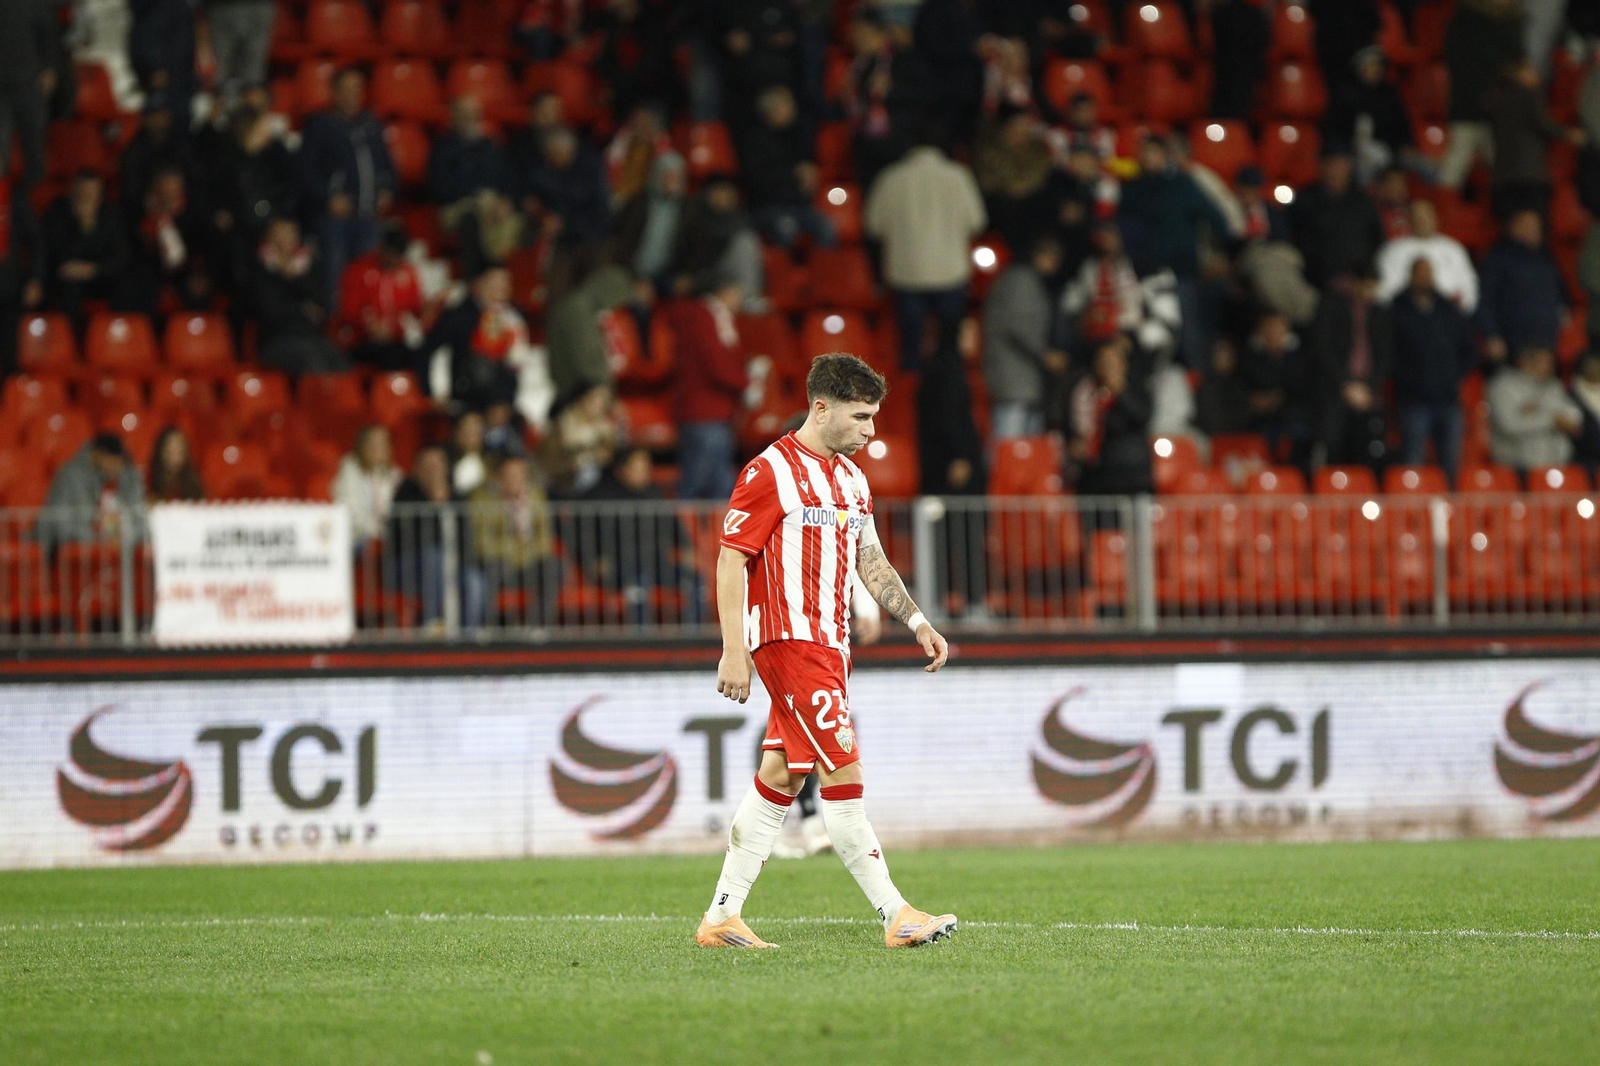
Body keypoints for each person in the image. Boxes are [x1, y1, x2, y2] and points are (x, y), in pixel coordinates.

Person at [697, 352, 955, 951]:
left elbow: (870, 558)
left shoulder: (851, 480)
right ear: (821, 408)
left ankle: (721, 917)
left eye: (874, 417)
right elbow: (731, 557)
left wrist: (916, 619)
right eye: (861, 417)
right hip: (789, 642)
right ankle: (897, 915)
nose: (871, 430)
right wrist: (733, 650)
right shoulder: (771, 472)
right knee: (844, 773)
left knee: (782, 776)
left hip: (831, 645)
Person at [864, 128, 987, 372]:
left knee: (911, 349)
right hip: (950, 272)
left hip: (907, 273)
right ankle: (948, 391)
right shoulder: (958, 176)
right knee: (949, 348)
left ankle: (910, 398)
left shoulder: (891, 177)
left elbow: (873, 225)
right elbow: (977, 222)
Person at [1118, 136, 1231, 368]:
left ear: (1164, 155)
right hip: (1143, 275)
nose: (1147, 157)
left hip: (1181, 272)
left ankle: (1198, 388)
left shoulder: (1182, 185)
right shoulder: (1132, 189)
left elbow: (1216, 218)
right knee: (1149, 338)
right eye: (1144, 151)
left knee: (1189, 334)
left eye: (1153, 151)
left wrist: (1221, 252)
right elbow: (1122, 228)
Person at [300, 67, 397, 306]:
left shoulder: (370, 126)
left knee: (366, 278)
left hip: (367, 217)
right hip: (335, 220)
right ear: (334, 92)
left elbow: (387, 165)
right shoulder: (320, 126)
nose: (352, 95)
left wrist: (386, 189)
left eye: (357, 89)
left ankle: (360, 330)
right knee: (335, 277)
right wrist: (328, 198)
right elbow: (305, 172)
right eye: (346, 89)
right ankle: (332, 331)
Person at [1391, 257, 1477, 484]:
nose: (1425, 277)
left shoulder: (1448, 310)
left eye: (1428, 272)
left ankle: (1448, 513)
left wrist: (1451, 377)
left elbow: (1467, 349)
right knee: (1413, 464)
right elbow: (1390, 354)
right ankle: (1410, 513)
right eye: (1419, 272)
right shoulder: (1397, 310)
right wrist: (1408, 380)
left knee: (1450, 466)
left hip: (1448, 399)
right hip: (1413, 400)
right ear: (1410, 276)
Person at [668, 276, 751, 500]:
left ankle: (714, 536)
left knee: (719, 485)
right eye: (736, 293)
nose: (739, 300)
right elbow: (718, 365)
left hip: (710, 413)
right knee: (699, 484)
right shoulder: (705, 318)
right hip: (705, 414)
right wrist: (747, 382)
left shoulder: (709, 317)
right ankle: (682, 534)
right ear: (723, 292)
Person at [1309, 266, 1393, 470]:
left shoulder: (1379, 312)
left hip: (1367, 395)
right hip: (1334, 392)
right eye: (1366, 286)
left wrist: (1369, 387)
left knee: (1366, 454)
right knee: (1332, 450)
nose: (1370, 293)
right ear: (1355, 283)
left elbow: (1385, 354)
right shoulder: (1332, 306)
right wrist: (1346, 384)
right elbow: (1322, 348)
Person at [983, 234, 1067, 439]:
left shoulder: (1026, 279)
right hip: (1012, 379)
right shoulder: (1021, 279)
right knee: (1009, 442)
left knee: (1028, 446)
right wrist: (1045, 354)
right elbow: (1019, 325)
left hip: (1024, 381)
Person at [429, 95, 521, 276]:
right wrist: (477, 198)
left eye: (473, 115)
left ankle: (498, 278)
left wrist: (505, 200)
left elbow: (509, 179)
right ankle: (473, 280)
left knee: (513, 219)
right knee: (471, 219)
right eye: (463, 114)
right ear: (453, 117)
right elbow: (439, 188)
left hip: (492, 205)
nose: (469, 120)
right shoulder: (442, 148)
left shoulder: (491, 146)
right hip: (457, 206)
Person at [387, 443, 475, 630]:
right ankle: (433, 626)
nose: (433, 472)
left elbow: (465, 538)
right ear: (416, 469)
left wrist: (444, 503)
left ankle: (469, 637)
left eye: (437, 467)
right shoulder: (405, 494)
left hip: (450, 567)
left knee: (474, 581)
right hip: (408, 567)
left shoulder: (456, 496)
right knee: (433, 557)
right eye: (428, 467)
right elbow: (408, 539)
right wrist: (434, 506)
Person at [1485, 61, 1584, 224]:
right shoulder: (1530, 94)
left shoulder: (1496, 98)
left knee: (1509, 227)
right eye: (1530, 71)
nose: (1535, 75)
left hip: (1501, 176)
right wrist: (1569, 134)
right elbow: (1543, 125)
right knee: (1535, 229)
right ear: (1519, 74)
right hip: (1529, 174)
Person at [468, 451, 560, 626]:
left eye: (520, 475)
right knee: (490, 570)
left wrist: (527, 552)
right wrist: (513, 547)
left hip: (529, 562)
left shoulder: (535, 497)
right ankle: (490, 629)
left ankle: (535, 627)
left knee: (553, 567)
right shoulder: (482, 499)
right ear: (498, 477)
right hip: (498, 563)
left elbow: (545, 537)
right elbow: (482, 541)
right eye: (510, 475)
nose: (516, 480)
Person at [424, 265, 533, 411]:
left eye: (505, 284)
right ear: (478, 284)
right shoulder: (457, 316)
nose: (500, 289)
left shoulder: (514, 319)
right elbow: (439, 354)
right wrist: (439, 390)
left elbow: (518, 359)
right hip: (464, 398)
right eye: (494, 283)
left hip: (501, 400)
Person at [738, 85, 832, 249]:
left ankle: (823, 273)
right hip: (767, 208)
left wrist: (809, 181)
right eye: (787, 104)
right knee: (786, 228)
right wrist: (794, 175)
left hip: (798, 206)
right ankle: (782, 274)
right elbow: (757, 181)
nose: (793, 109)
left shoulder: (796, 136)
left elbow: (807, 174)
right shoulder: (755, 141)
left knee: (826, 227)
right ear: (771, 110)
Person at [252, 216, 348, 376]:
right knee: (312, 363)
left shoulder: (307, 266)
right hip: (276, 341)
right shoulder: (259, 268)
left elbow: (322, 306)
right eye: (280, 236)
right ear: (269, 238)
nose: (285, 241)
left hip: (311, 338)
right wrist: (303, 309)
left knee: (340, 363)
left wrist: (294, 278)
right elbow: (271, 311)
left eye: (290, 235)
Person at [1478, 209, 1565, 368]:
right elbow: (1485, 300)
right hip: (1513, 342)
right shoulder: (1497, 259)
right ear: (1513, 228)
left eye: (1537, 227)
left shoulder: (1545, 259)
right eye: (1528, 226)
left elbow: (1559, 294)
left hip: (1545, 339)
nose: (1535, 231)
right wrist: (1491, 334)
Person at [1290, 146, 1385, 290]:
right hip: (1315, 281)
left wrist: (1363, 274)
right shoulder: (1305, 199)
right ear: (1322, 166)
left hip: (1358, 282)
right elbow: (1297, 240)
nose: (1337, 170)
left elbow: (1376, 239)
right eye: (1332, 164)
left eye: (1342, 164)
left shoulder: (1363, 201)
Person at [544, 263, 638, 408]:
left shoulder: (580, 305)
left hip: (574, 390)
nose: (617, 306)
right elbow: (588, 361)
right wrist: (608, 397)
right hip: (577, 395)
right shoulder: (580, 311)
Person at [35, 434, 146, 556]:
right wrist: (96, 539)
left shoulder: (124, 477)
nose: (116, 468)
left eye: (119, 463)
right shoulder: (70, 475)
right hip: (60, 551)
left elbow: (137, 517)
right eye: (112, 461)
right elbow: (58, 522)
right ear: (98, 455)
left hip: (101, 552)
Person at [1069, 338, 1154, 496]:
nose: (1106, 366)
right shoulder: (1086, 391)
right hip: (1095, 474)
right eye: (1102, 361)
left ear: (1123, 364)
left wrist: (1120, 392)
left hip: (1131, 474)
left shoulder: (1137, 388)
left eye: (1111, 361)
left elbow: (1143, 416)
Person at [42, 172, 127, 326]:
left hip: (99, 273)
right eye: (83, 192)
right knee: (69, 286)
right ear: (73, 191)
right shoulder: (57, 212)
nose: (88, 197)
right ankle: (71, 339)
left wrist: (94, 269)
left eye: (92, 193)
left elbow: (121, 255)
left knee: (127, 284)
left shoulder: (110, 214)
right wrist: (82, 227)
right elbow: (56, 255)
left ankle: (117, 338)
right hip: (67, 275)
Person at [337, 222, 424, 372]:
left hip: (395, 340)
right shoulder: (358, 270)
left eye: (399, 256)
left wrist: (430, 309)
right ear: (382, 248)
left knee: (419, 356)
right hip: (361, 340)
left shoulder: (408, 273)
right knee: (390, 356)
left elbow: (416, 309)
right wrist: (368, 325)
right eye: (391, 254)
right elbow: (348, 310)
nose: (394, 261)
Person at [1323, 46, 1416, 183]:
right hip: (1354, 153)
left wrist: (1406, 144)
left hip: (1389, 151)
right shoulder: (1346, 95)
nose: (1375, 69)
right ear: (1360, 68)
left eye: (1377, 65)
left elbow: (1402, 125)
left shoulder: (1389, 95)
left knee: (1422, 166)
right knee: (1363, 172)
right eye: (1370, 65)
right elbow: (1335, 130)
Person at [1488, 346, 1582, 471]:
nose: (1550, 367)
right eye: (1543, 362)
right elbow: (1509, 425)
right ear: (1525, 362)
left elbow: (1573, 416)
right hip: (1517, 466)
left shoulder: (1553, 385)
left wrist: (1536, 414)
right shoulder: (1503, 385)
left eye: (1550, 362)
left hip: (1558, 464)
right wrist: (1552, 420)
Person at [1376, 199, 1479, 311]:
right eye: (1417, 216)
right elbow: (1385, 291)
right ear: (1409, 219)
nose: (1422, 220)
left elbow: (1469, 289)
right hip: (1404, 317)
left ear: (1436, 218)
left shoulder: (1454, 249)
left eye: (1426, 215)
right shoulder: (1393, 251)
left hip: (1446, 318)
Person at [0, 0, 57, 191]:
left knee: (34, 147)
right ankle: (4, 202)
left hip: (30, 82)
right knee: (1, 148)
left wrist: (49, 68)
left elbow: (49, 33)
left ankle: (37, 201)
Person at [0, 172, 44, 380]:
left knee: (10, 359)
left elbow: (35, 241)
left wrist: (35, 279)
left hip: (7, 287)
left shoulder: (13, 196)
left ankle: (9, 407)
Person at [333, 425, 403, 545]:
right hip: (355, 536)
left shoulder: (395, 475)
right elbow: (350, 509)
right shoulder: (349, 469)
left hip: (388, 536)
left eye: (382, 443)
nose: (377, 448)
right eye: (372, 443)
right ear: (361, 446)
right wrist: (375, 531)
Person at [205, 0, 277, 111]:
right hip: (222, 8)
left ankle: (251, 122)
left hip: (258, 7)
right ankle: (221, 121)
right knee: (222, 74)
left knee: (253, 77)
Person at [146, 427, 204, 502]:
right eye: (169, 450)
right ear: (160, 451)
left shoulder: (194, 484)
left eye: (179, 451)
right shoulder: (148, 480)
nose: (174, 456)